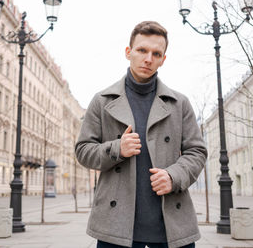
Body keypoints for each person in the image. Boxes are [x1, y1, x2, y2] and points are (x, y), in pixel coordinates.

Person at [75, 21, 207, 248]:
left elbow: (197, 151)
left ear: (163, 59)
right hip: (115, 225)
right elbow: (83, 150)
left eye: (156, 53)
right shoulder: (102, 101)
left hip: (171, 224)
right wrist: (117, 148)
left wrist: (173, 176)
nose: (148, 59)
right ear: (128, 52)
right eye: (142, 50)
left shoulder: (179, 103)